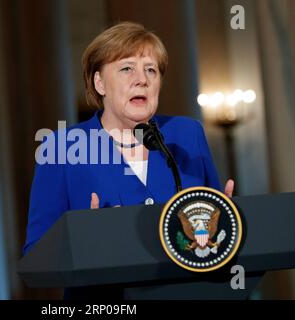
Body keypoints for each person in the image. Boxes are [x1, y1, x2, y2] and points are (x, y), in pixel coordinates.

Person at [23, 21, 234, 299]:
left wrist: (227, 224)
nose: (142, 79)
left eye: (151, 70)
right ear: (99, 83)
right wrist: (80, 239)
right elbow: (36, 261)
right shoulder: (61, 148)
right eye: (126, 68)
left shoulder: (186, 135)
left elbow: (211, 236)